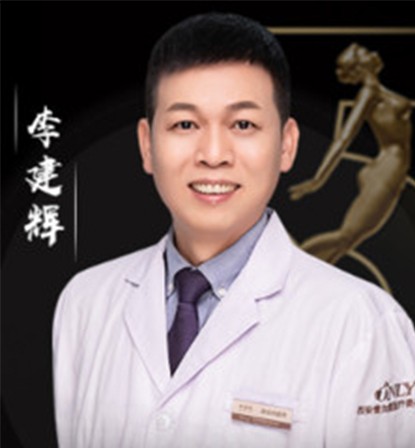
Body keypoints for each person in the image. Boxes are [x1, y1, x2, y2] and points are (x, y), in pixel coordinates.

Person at [52, 13, 415, 448]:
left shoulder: (360, 323)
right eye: (185, 124)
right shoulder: (85, 302)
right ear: (147, 145)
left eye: (243, 124)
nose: (213, 154)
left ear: (287, 144)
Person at [289, 42, 412, 265]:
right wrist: (318, 179)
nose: (372, 52)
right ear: (359, 66)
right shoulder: (369, 93)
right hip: (387, 168)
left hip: (389, 168)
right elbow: (344, 138)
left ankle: (309, 276)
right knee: (346, 236)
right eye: (364, 52)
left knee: (348, 241)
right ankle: (291, 267)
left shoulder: (379, 91)